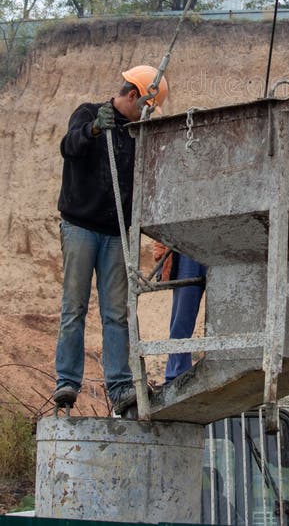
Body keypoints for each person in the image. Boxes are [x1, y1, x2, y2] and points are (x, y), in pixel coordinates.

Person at [53, 65, 168, 414]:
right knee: (74, 307)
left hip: (117, 232)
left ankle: (119, 387)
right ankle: (67, 383)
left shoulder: (137, 133)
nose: (147, 114)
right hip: (81, 227)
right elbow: (68, 147)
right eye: (146, 106)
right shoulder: (88, 114)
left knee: (116, 313)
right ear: (133, 95)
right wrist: (91, 130)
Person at [153, 243, 207, 381]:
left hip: (225, 238)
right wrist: (160, 247)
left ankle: (227, 364)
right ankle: (176, 375)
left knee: (226, 311)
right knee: (183, 312)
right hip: (187, 242)